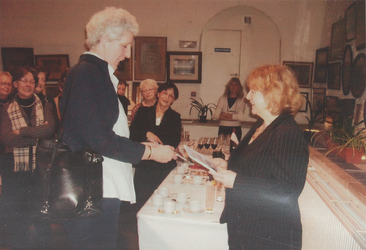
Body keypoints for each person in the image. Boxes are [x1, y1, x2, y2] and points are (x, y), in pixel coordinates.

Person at [58, 7, 176, 250]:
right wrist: (151, 153)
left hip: (100, 185)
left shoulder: (97, 73)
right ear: (104, 39)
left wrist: (141, 146)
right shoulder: (88, 74)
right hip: (93, 187)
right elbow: (98, 139)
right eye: (125, 45)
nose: (128, 54)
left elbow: (103, 132)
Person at [210, 65, 309, 249]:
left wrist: (236, 181)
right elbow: (258, 166)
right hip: (248, 226)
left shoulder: (288, 132)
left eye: (253, 91)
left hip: (268, 233)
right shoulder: (261, 125)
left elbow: (287, 189)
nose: (247, 97)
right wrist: (227, 166)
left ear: (272, 94)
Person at [0, 66, 56, 248]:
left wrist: (22, 132)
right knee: (17, 217)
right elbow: (6, 137)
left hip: (41, 168)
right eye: (24, 80)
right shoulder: (6, 108)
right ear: (15, 84)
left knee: (42, 215)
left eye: (32, 81)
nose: (29, 84)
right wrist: (35, 139)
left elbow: (49, 129)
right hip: (15, 171)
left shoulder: (45, 105)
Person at [130, 82, 181, 208]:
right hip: (145, 164)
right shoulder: (143, 112)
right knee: (141, 203)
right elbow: (133, 133)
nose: (166, 97)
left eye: (171, 96)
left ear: (173, 100)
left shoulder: (175, 117)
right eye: (165, 93)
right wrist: (147, 134)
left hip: (163, 167)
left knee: (162, 202)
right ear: (158, 94)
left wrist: (150, 142)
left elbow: (173, 142)